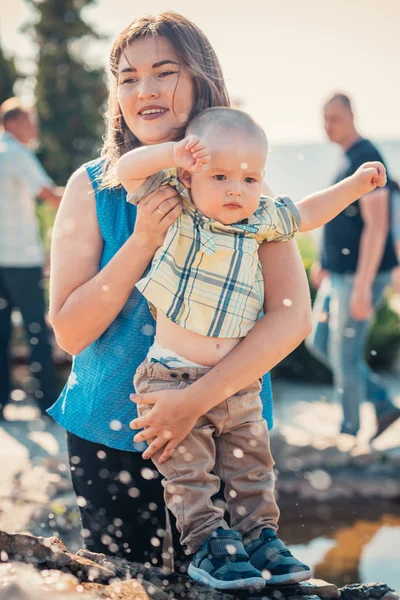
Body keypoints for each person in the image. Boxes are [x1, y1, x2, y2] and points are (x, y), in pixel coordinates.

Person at [48, 12, 313, 570]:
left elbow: (291, 318)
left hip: (224, 435)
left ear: (201, 79)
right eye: (127, 77)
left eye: (164, 72)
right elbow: (71, 333)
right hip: (113, 438)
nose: (144, 90)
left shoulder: (245, 186)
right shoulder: (91, 186)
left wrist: (191, 403)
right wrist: (142, 239)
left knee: (237, 580)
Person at [117, 106, 387, 589]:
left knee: (251, 465)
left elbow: (306, 213)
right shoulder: (177, 205)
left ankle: (259, 537)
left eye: (249, 178)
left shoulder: (261, 219)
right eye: (219, 176)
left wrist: (355, 187)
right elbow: (125, 171)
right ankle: (207, 546)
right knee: (190, 474)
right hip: (170, 377)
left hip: (237, 382)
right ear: (189, 172)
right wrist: (169, 153)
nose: (235, 189)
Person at [306, 93, 400, 440]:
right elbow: (341, 217)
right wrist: (323, 261)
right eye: (325, 118)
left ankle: (348, 433)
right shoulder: (347, 159)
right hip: (339, 274)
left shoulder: (368, 157)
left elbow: (377, 228)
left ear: (351, 116)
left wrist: (362, 286)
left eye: (335, 118)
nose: (328, 125)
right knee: (319, 342)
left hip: (360, 278)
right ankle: (384, 404)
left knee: (345, 355)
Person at [0, 98, 62, 420]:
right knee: (37, 331)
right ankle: (47, 402)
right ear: (13, 123)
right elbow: (49, 195)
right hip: (20, 260)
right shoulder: (17, 154)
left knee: (0, 334)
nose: (35, 128)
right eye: (31, 121)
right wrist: (92, 194)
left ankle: (1, 403)